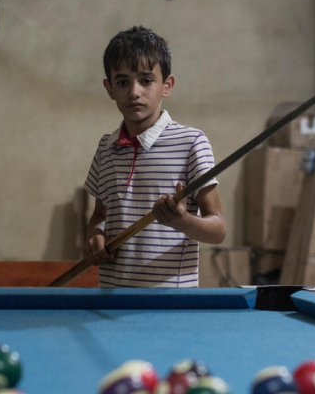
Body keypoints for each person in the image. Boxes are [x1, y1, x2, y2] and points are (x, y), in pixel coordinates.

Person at [83, 26, 226, 287]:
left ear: (167, 85)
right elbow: (98, 216)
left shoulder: (192, 142)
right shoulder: (106, 147)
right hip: (111, 301)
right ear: (109, 88)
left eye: (146, 80)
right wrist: (94, 236)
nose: (134, 92)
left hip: (170, 306)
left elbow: (218, 230)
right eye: (123, 82)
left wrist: (182, 221)